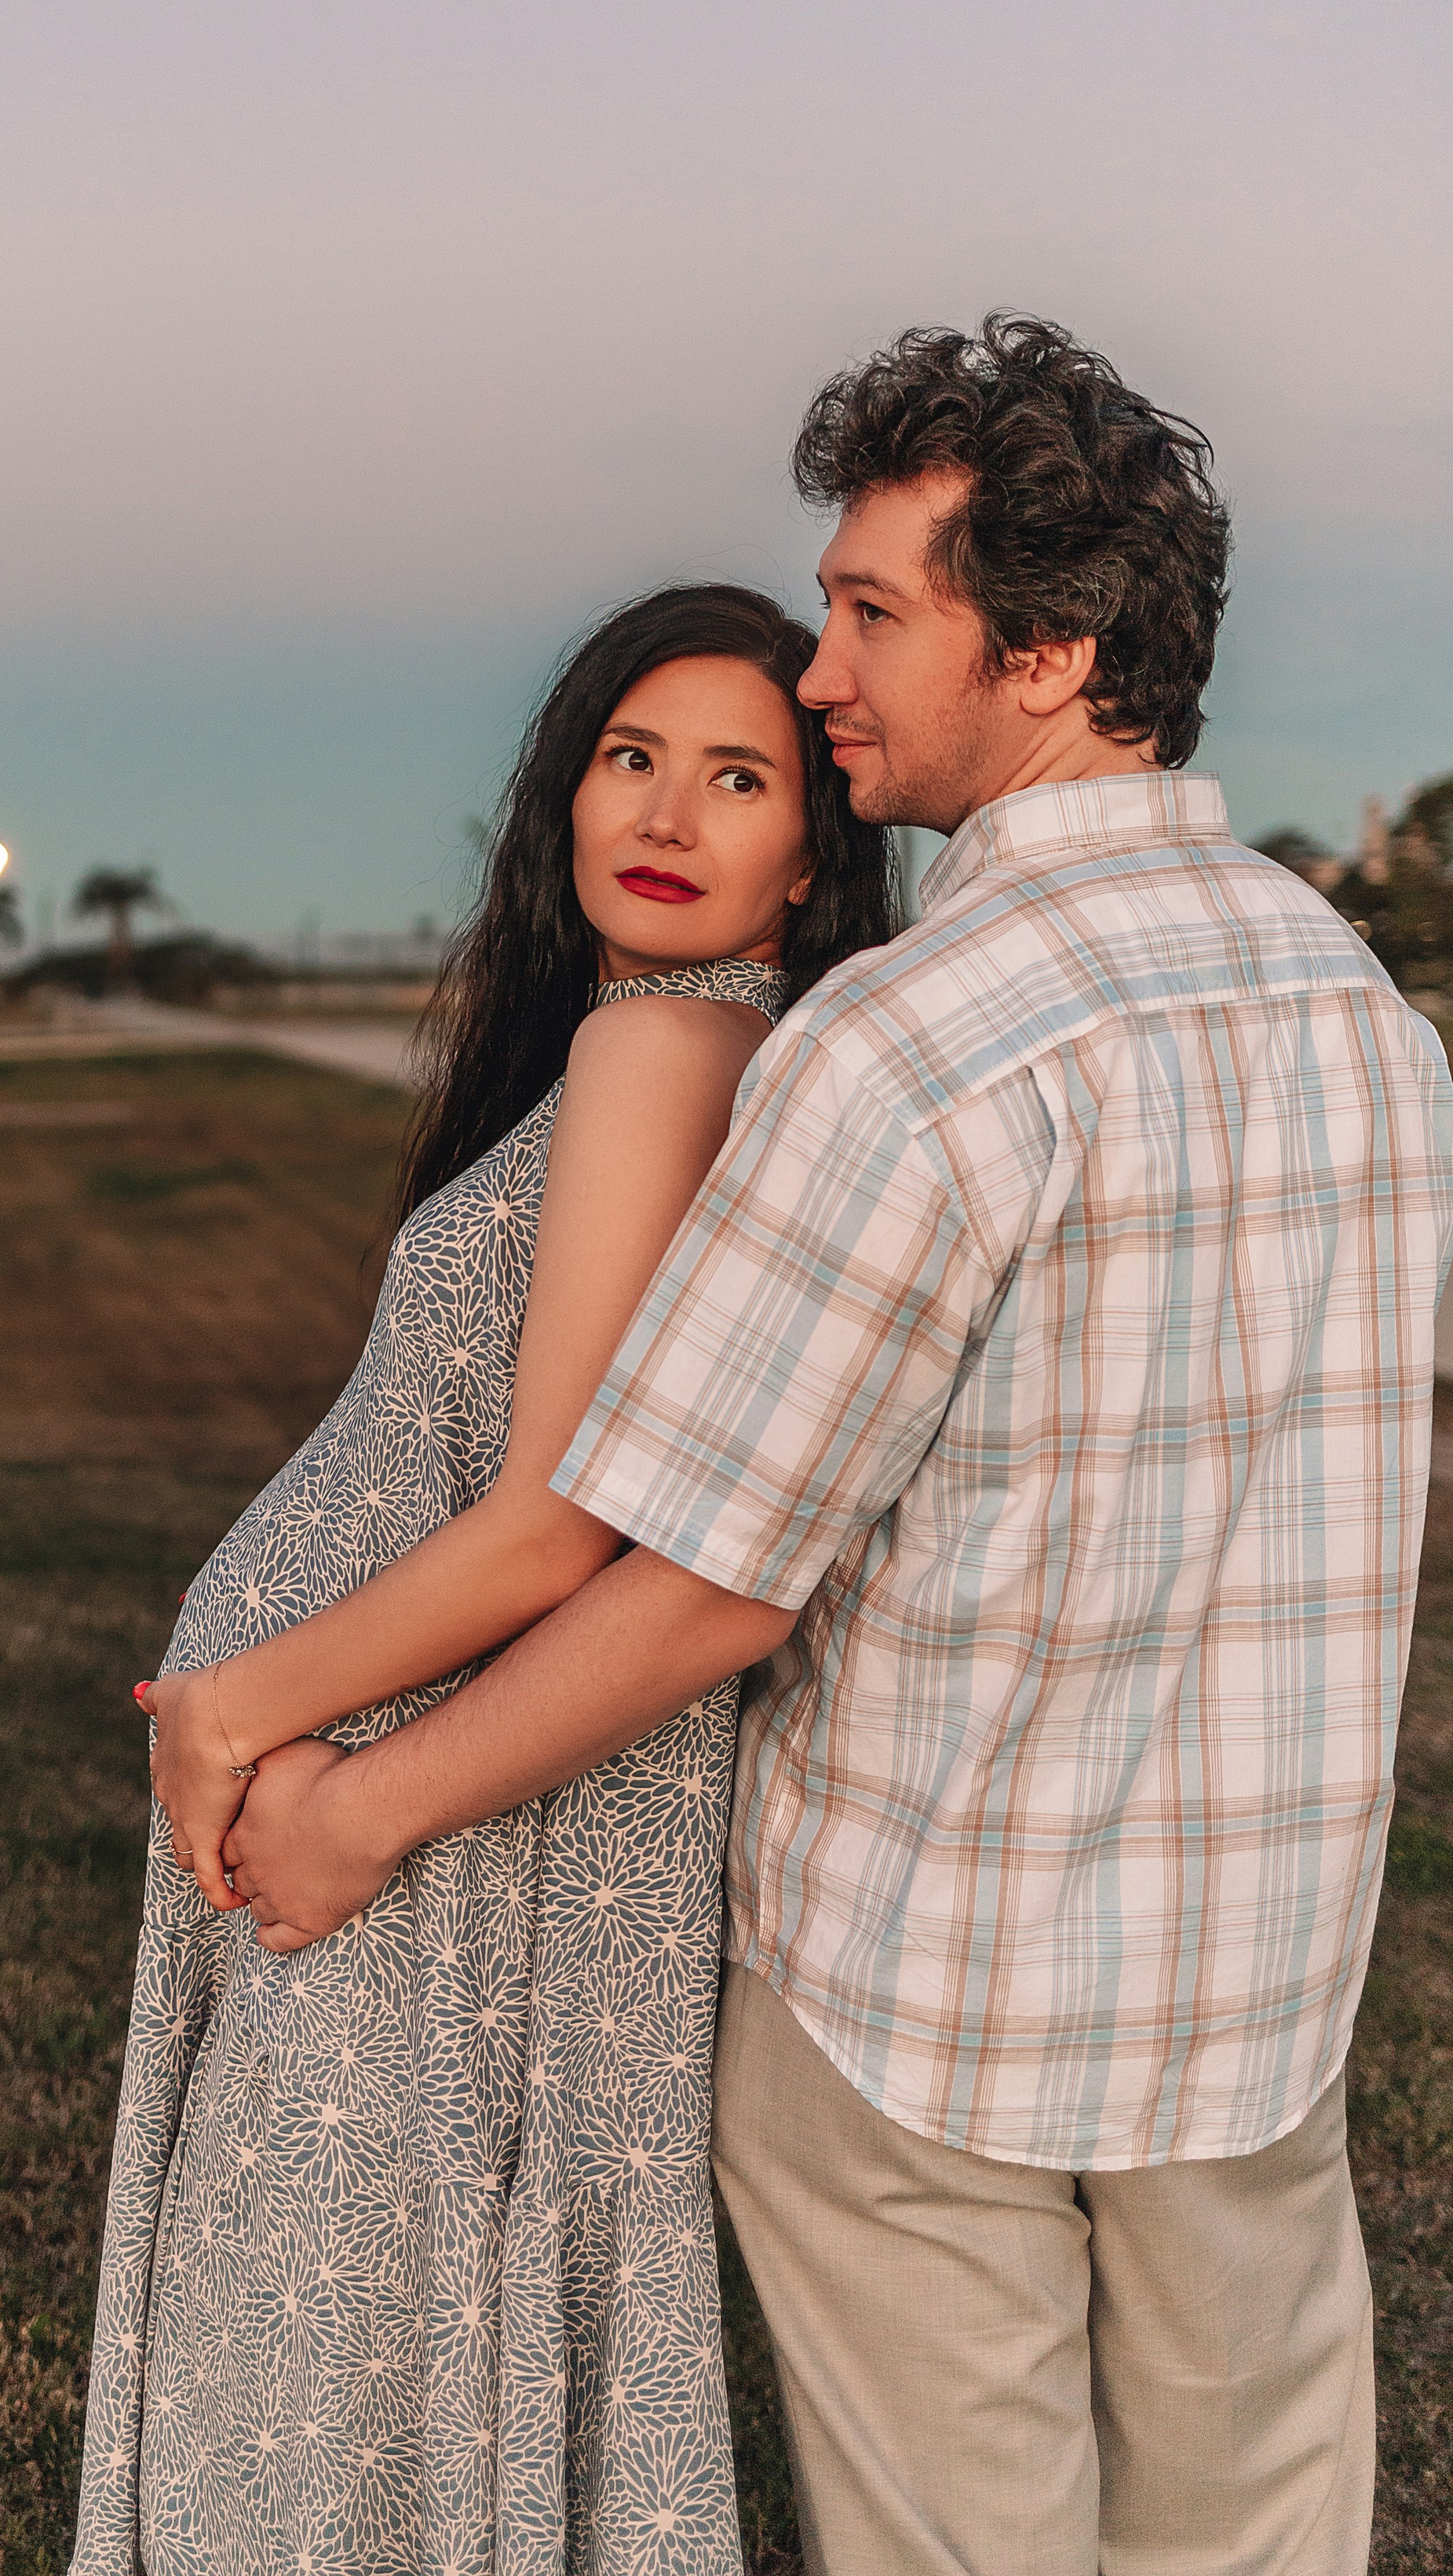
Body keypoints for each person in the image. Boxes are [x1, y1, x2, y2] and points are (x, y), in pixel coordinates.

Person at [228, 316, 1453, 2574]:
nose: (820, 674)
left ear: (1060, 649)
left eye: (877, 612)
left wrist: (360, 1809)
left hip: (920, 2023)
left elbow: (698, 1584)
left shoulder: (914, 1046)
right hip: (1259, 2014)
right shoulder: (1359, 1012)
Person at [68, 583, 898, 2576]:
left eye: (737, 778)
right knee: (394, 2329)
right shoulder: (704, 1053)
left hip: (453, 1820)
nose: (670, 811)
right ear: (565, 788)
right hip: (500, 1806)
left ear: (808, 865)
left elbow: (558, 1521)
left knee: (320, 2350)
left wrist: (236, 1708)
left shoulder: (657, 1047)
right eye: (632, 757)